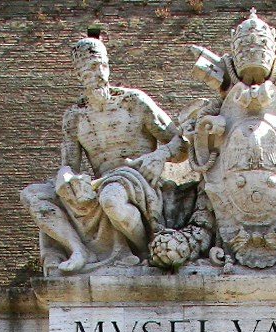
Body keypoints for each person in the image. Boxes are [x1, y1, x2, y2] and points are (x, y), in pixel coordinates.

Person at [21, 37, 178, 273]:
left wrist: (160, 155)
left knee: (110, 199)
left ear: (108, 66)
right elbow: (69, 165)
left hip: (137, 180)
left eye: (101, 66)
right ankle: (78, 250)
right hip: (100, 183)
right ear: (79, 75)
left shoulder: (133, 102)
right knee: (33, 195)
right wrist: (67, 178)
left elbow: (181, 142)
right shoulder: (74, 117)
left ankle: (145, 251)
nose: (98, 74)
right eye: (89, 69)